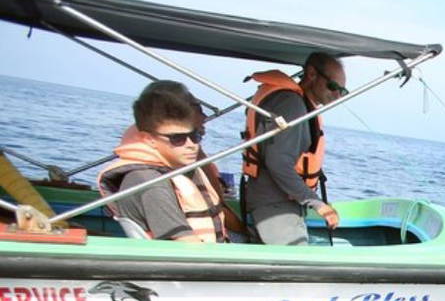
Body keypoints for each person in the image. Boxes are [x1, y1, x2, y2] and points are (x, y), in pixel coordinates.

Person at [97, 81, 228, 243]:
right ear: (149, 139)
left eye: (196, 136)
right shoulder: (150, 182)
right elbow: (187, 244)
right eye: (177, 139)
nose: (191, 145)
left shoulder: (179, 167)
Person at [241, 52, 346, 245]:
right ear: (312, 74)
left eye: (342, 90)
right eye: (333, 87)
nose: (337, 95)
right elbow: (278, 162)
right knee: (297, 270)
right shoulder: (292, 105)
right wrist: (316, 202)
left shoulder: (293, 102)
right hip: (274, 207)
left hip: (267, 202)